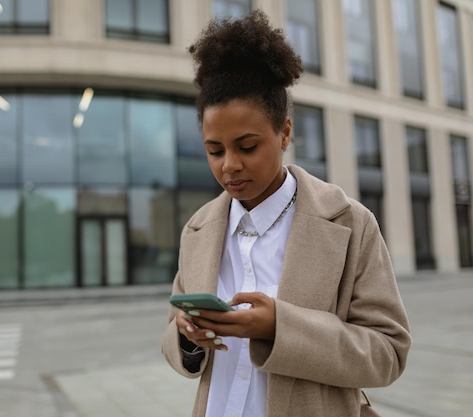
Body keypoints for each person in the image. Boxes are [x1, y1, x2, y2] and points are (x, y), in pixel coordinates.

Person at [161, 10, 411, 417]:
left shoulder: (350, 222)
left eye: (246, 146)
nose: (229, 165)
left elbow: (388, 352)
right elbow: (172, 335)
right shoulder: (198, 229)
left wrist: (281, 327)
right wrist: (188, 338)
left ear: (285, 132)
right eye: (214, 150)